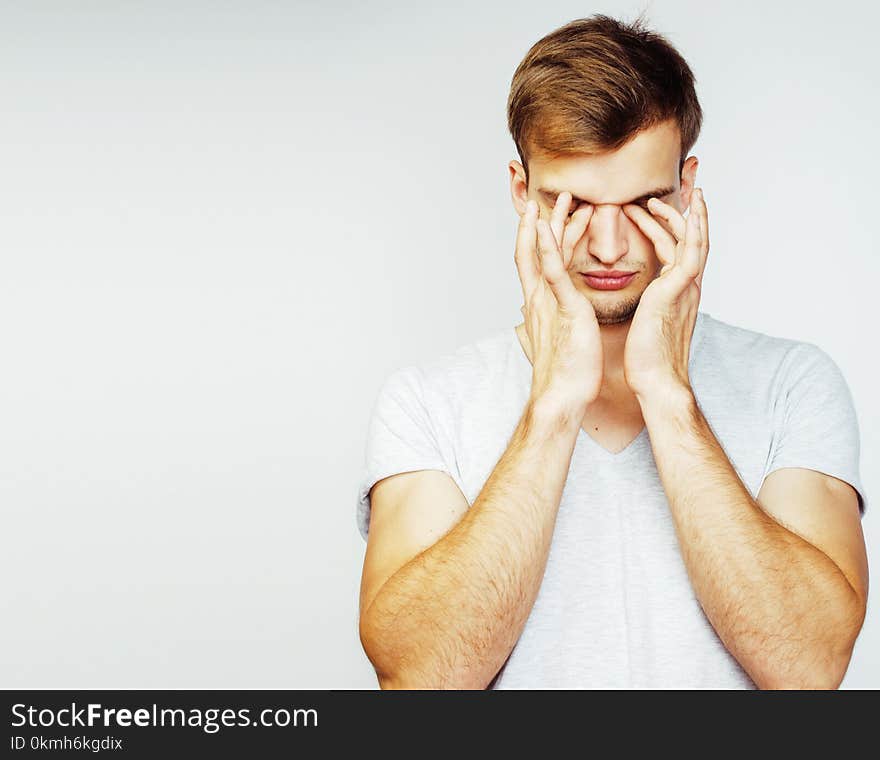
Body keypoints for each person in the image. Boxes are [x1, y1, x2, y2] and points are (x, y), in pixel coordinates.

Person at [354, 14, 869, 689]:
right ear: (520, 191)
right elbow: (420, 681)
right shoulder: (427, 402)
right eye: (571, 205)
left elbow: (809, 671)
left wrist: (668, 398)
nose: (606, 247)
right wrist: (554, 406)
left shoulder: (792, 384)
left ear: (688, 186)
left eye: (644, 202)